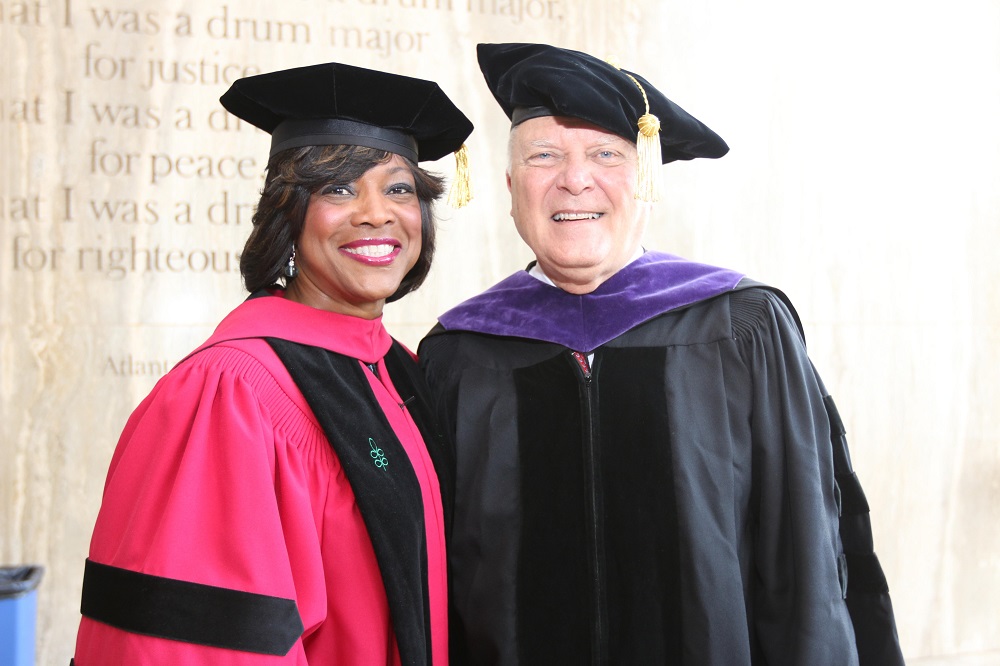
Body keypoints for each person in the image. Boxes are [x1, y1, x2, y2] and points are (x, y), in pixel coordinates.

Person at [419, 43, 904, 665]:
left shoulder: (743, 327)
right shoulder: (460, 354)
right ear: (512, 187)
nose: (575, 178)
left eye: (606, 155)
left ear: (645, 180)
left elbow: (803, 554)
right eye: (545, 156)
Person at [72, 61, 473, 665]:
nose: (377, 213)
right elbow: (197, 643)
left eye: (399, 188)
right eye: (338, 188)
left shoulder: (403, 373)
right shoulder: (230, 394)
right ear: (289, 211)